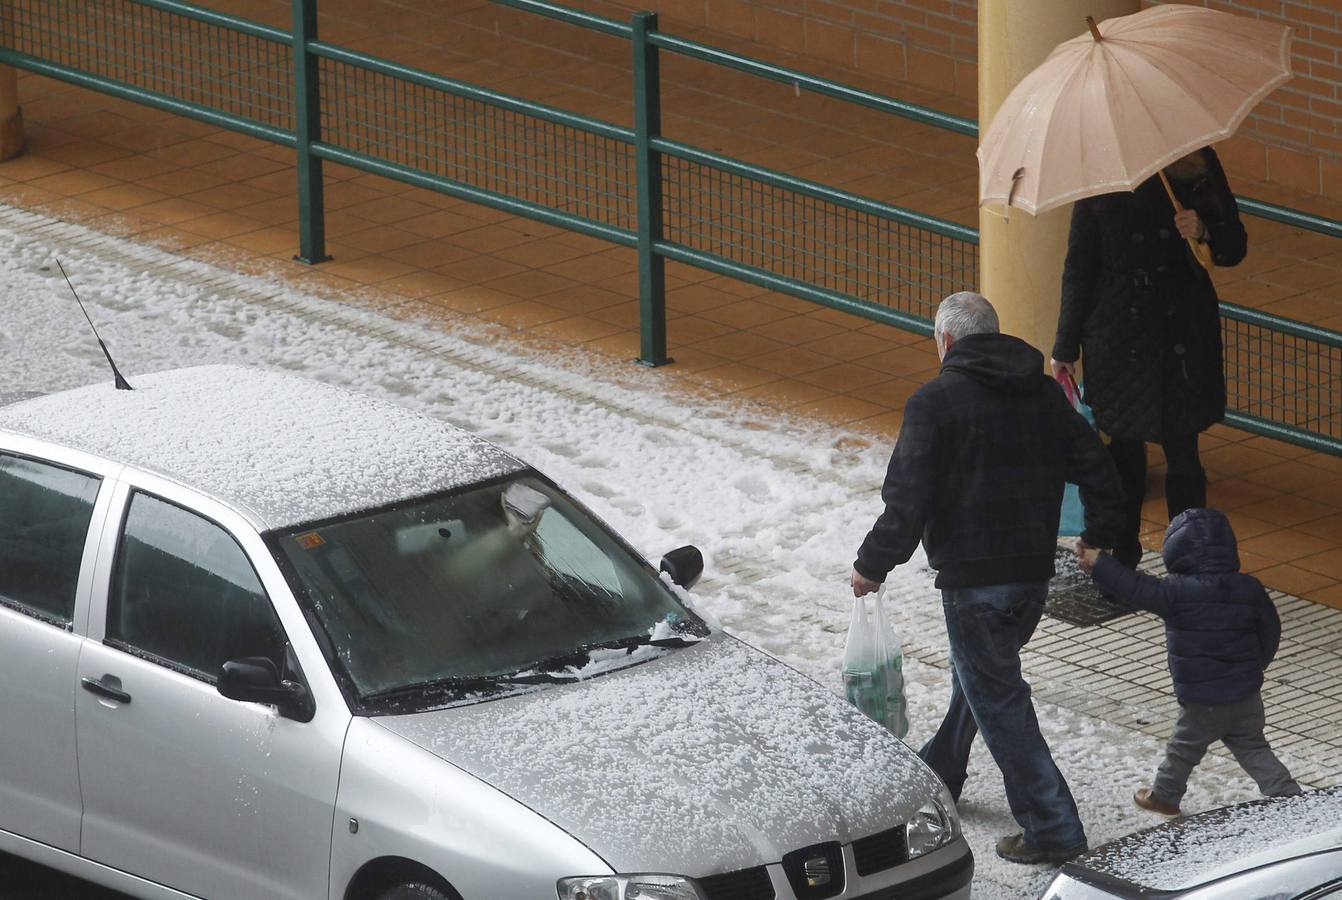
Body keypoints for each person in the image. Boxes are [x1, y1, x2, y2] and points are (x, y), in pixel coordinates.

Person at [850, 291, 1125, 865]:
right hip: (1031, 577)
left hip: (974, 581)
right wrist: (1100, 535)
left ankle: (1053, 826)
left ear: (946, 341)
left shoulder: (935, 402)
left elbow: (908, 499)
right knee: (982, 680)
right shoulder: (1044, 395)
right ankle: (943, 769)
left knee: (997, 696)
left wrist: (872, 565)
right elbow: (1099, 467)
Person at [1051, 147, 1247, 570]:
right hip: (1118, 332)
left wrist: (1204, 229)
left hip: (1181, 329)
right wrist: (1065, 346)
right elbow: (1080, 264)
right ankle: (1123, 556)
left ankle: (1189, 558)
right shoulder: (1097, 172)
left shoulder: (1193, 166)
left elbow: (1234, 247)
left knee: (1184, 450)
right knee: (1123, 450)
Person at [1077, 507, 1300, 816]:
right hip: (1246, 695)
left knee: (1183, 749)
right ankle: (1287, 796)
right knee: (1253, 747)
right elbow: (1270, 631)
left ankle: (1165, 796)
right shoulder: (1249, 588)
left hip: (1203, 701)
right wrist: (1254, 667)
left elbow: (1135, 587)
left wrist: (1099, 562)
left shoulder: (1175, 593)